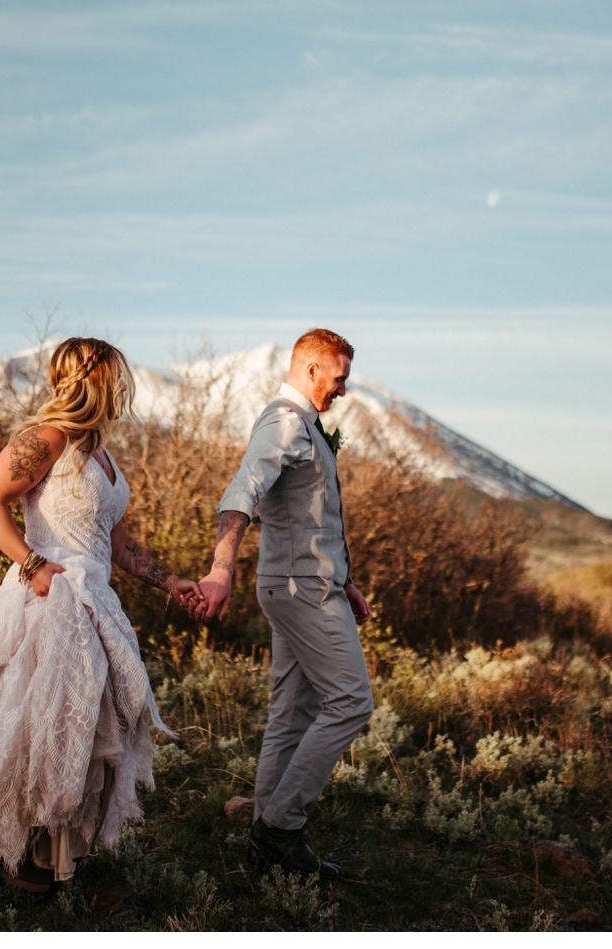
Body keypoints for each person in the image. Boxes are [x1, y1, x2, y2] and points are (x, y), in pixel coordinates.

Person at [0, 337, 202, 892]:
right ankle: (19, 856)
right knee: (42, 731)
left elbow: (112, 537)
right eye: (115, 377)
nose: (123, 388)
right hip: (52, 601)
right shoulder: (46, 438)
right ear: (90, 378)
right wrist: (32, 564)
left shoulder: (103, 454)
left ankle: (61, 856)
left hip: (95, 602)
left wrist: (169, 580)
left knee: (90, 729)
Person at [195, 327, 374, 880]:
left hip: (310, 584)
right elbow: (241, 492)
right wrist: (221, 566)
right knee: (352, 700)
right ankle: (281, 827)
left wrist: (344, 579)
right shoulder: (283, 421)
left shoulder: (307, 428)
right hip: (301, 593)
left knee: (292, 712)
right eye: (338, 378)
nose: (343, 389)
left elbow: (309, 516)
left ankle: (262, 841)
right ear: (312, 369)